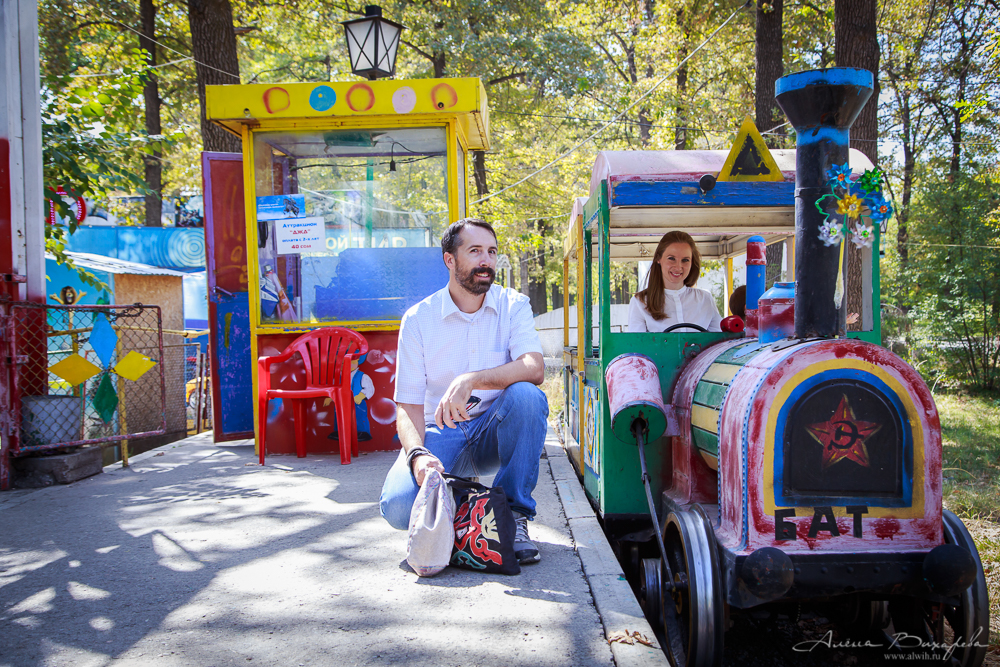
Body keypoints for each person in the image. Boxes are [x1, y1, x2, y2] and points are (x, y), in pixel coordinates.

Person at [379, 218, 549, 565]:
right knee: (397, 507)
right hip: (442, 432)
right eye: (474, 251)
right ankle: (463, 509)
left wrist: (471, 379)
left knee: (528, 397)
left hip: (494, 430)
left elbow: (534, 368)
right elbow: (407, 405)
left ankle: (513, 516)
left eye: (491, 251)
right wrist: (417, 456)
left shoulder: (512, 304)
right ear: (450, 260)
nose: (486, 260)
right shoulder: (418, 319)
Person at [628, 231, 722, 333]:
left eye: (685, 260)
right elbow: (638, 346)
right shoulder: (640, 302)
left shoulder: (705, 299)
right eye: (671, 259)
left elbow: (720, 342)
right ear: (659, 259)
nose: (678, 267)